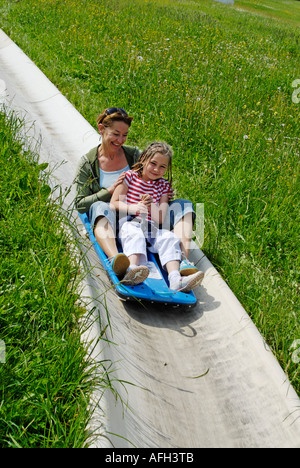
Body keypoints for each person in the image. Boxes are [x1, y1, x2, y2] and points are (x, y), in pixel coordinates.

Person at [74, 107, 199, 277]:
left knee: (184, 205)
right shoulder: (88, 163)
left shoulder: (134, 155)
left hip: (147, 216)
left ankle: (182, 259)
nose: (120, 140)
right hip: (115, 217)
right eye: (116, 134)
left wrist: (166, 195)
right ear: (101, 129)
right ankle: (116, 259)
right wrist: (109, 191)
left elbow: (155, 170)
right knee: (98, 206)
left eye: (124, 135)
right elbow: (80, 204)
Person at [110, 142, 204, 290]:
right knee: (134, 233)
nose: (156, 169)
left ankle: (175, 279)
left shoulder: (163, 186)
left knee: (169, 237)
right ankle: (131, 270)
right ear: (143, 160)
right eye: (153, 163)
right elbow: (113, 203)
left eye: (162, 167)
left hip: (151, 226)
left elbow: (160, 218)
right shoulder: (130, 177)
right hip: (130, 222)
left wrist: (151, 204)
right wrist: (132, 207)